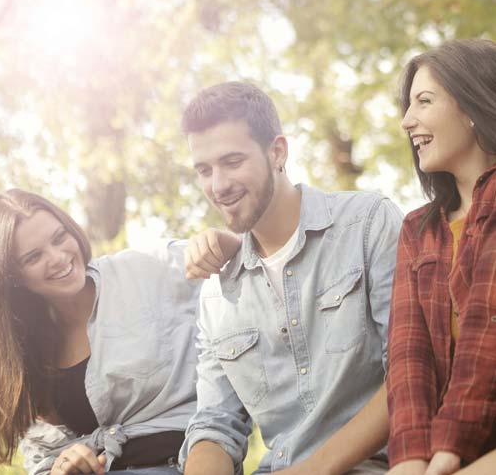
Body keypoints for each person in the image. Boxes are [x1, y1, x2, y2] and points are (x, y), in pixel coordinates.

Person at [179, 81, 404, 474]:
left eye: (232, 162)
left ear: (277, 152)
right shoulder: (217, 292)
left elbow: (408, 375)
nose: (218, 186)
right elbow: (216, 425)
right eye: (204, 170)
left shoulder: (366, 224)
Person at [0, 189, 234, 475]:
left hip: (184, 459)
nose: (58, 258)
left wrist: (220, 242)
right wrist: (62, 469)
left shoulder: (146, 268)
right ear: (14, 277)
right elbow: (43, 460)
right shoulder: (23, 351)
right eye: (34, 257)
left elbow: (244, 265)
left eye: (59, 238)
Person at [386, 38, 496, 475]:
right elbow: (406, 356)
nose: (407, 121)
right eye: (408, 106)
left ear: (472, 106)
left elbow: (487, 324)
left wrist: (447, 452)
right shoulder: (418, 229)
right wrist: (410, 460)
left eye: (424, 101)